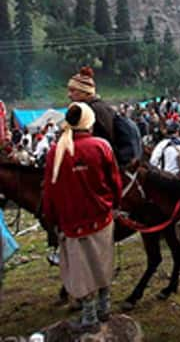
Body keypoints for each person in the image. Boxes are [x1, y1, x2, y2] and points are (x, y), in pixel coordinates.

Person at [42, 103, 122, 333]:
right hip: (101, 219)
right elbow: (115, 182)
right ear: (89, 121)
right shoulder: (101, 146)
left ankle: (89, 316)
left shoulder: (55, 151)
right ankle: (104, 307)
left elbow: (49, 191)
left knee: (81, 270)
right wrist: (115, 205)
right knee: (102, 263)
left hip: (72, 223)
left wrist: (52, 219)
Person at [67, 67, 116, 145]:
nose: (69, 95)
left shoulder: (90, 111)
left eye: (73, 91)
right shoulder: (103, 106)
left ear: (86, 92)